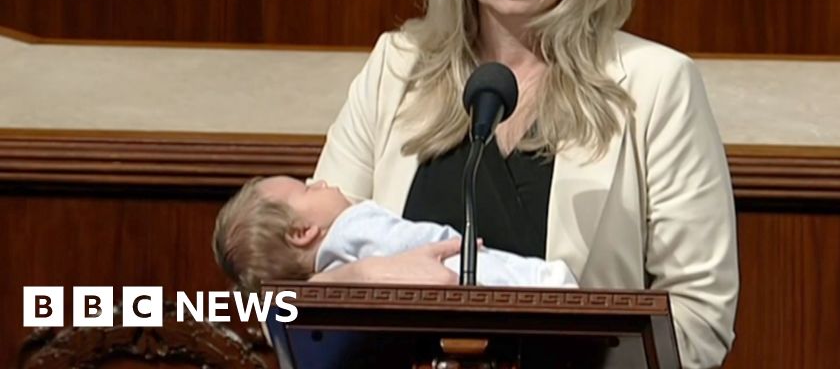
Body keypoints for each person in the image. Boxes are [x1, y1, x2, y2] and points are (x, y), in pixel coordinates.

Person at [310, 0, 738, 368]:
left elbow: (699, 317)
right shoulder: (397, 69)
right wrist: (367, 277)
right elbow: (303, 268)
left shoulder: (658, 85)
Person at [212, 175, 578, 292]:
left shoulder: (331, 267)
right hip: (455, 268)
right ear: (303, 231)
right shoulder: (352, 228)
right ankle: (548, 282)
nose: (319, 180)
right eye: (307, 189)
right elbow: (405, 244)